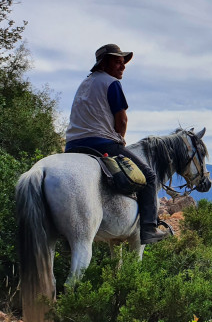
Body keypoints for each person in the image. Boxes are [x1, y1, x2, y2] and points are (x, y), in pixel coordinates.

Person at [64, 44, 169, 244]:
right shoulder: (111, 83)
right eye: (117, 62)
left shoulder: (84, 84)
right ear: (104, 63)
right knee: (149, 176)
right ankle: (148, 229)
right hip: (100, 143)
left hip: (72, 146)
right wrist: (120, 138)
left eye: (123, 63)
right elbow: (121, 120)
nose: (122, 67)